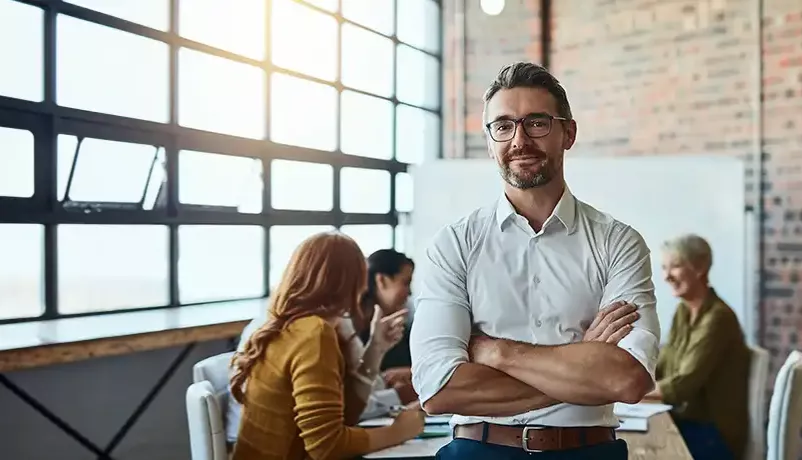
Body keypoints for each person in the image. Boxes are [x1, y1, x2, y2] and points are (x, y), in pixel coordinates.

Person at [409, 61, 661, 459]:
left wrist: (497, 352)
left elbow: (627, 380)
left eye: (537, 123)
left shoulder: (618, 243)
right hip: (478, 451)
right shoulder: (455, 244)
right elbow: (438, 390)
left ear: (568, 133)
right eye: (504, 126)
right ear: (490, 140)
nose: (519, 140)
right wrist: (581, 358)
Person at [229, 231, 424, 460]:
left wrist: (375, 349)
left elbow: (342, 418)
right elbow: (326, 447)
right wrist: (398, 432)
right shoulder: (315, 334)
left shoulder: (292, 325)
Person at [644, 234, 749, 460]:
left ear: (700, 267)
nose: (666, 276)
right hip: (687, 422)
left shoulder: (718, 318)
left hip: (713, 435)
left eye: (675, 266)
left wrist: (625, 392)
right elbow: (663, 364)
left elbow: (683, 385)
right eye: (664, 267)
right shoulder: (683, 311)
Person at [351, 249, 419, 414]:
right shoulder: (351, 332)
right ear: (381, 280)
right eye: (405, 282)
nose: (409, 293)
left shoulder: (402, 329)